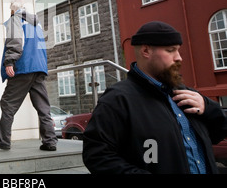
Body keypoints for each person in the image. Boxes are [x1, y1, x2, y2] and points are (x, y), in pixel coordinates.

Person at [83, 21, 227, 174]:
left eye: (178, 50)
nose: (179, 58)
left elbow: (219, 133)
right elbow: (97, 156)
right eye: (170, 50)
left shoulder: (185, 94)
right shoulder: (118, 99)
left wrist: (207, 108)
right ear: (146, 51)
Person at [0, 0, 58, 151]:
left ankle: (3, 140)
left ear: (13, 9)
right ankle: (50, 141)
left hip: (24, 68)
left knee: (8, 103)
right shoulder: (35, 23)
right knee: (43, 107)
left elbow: (16, 40)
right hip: (39, 68)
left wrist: (10, 61)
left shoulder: (15, 19)